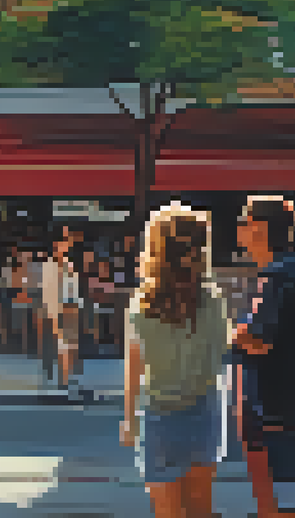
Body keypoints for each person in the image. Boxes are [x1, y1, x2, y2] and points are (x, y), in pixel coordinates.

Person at [121, 206, 229, 518]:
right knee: (200, 510)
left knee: (168, 512)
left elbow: (134, 365)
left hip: (159, 414)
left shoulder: (142, 303)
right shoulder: (212, 300)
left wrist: (129, 419)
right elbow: (223, 355)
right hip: (205, 410)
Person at [234, 195, 295, 518]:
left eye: (244, 223)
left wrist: (233, 334)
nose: (239, 231)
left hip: (285, 417)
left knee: (292, 504)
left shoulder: (275, 279)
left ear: (260, 228)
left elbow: (259, 340)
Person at [43, 228, 84, 393]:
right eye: (64, 241)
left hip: (71, 307)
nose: (67, 245)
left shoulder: (69, 264)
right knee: (63, 345)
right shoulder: (51, 266)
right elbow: (49, 290)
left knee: (71, 345)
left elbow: (74, 288)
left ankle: (69, 377)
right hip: (59, 308)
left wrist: (77, 306)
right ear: (56, 245)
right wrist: (52, 311)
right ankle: (63, 379)